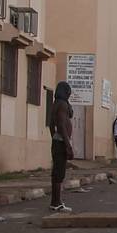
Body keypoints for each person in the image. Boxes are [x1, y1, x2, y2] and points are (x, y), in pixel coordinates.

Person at [48, 81, 75, 212]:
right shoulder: (62, 105)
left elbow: (51, 125)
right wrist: (67, 144)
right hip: (61, 142)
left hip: (57, 140)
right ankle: (56, 202)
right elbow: (61, 125)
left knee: (57, 172)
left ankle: (55, 202)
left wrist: (54, 137)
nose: (69, 94)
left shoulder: (55, 104)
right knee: (59, 173)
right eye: (68, 92)